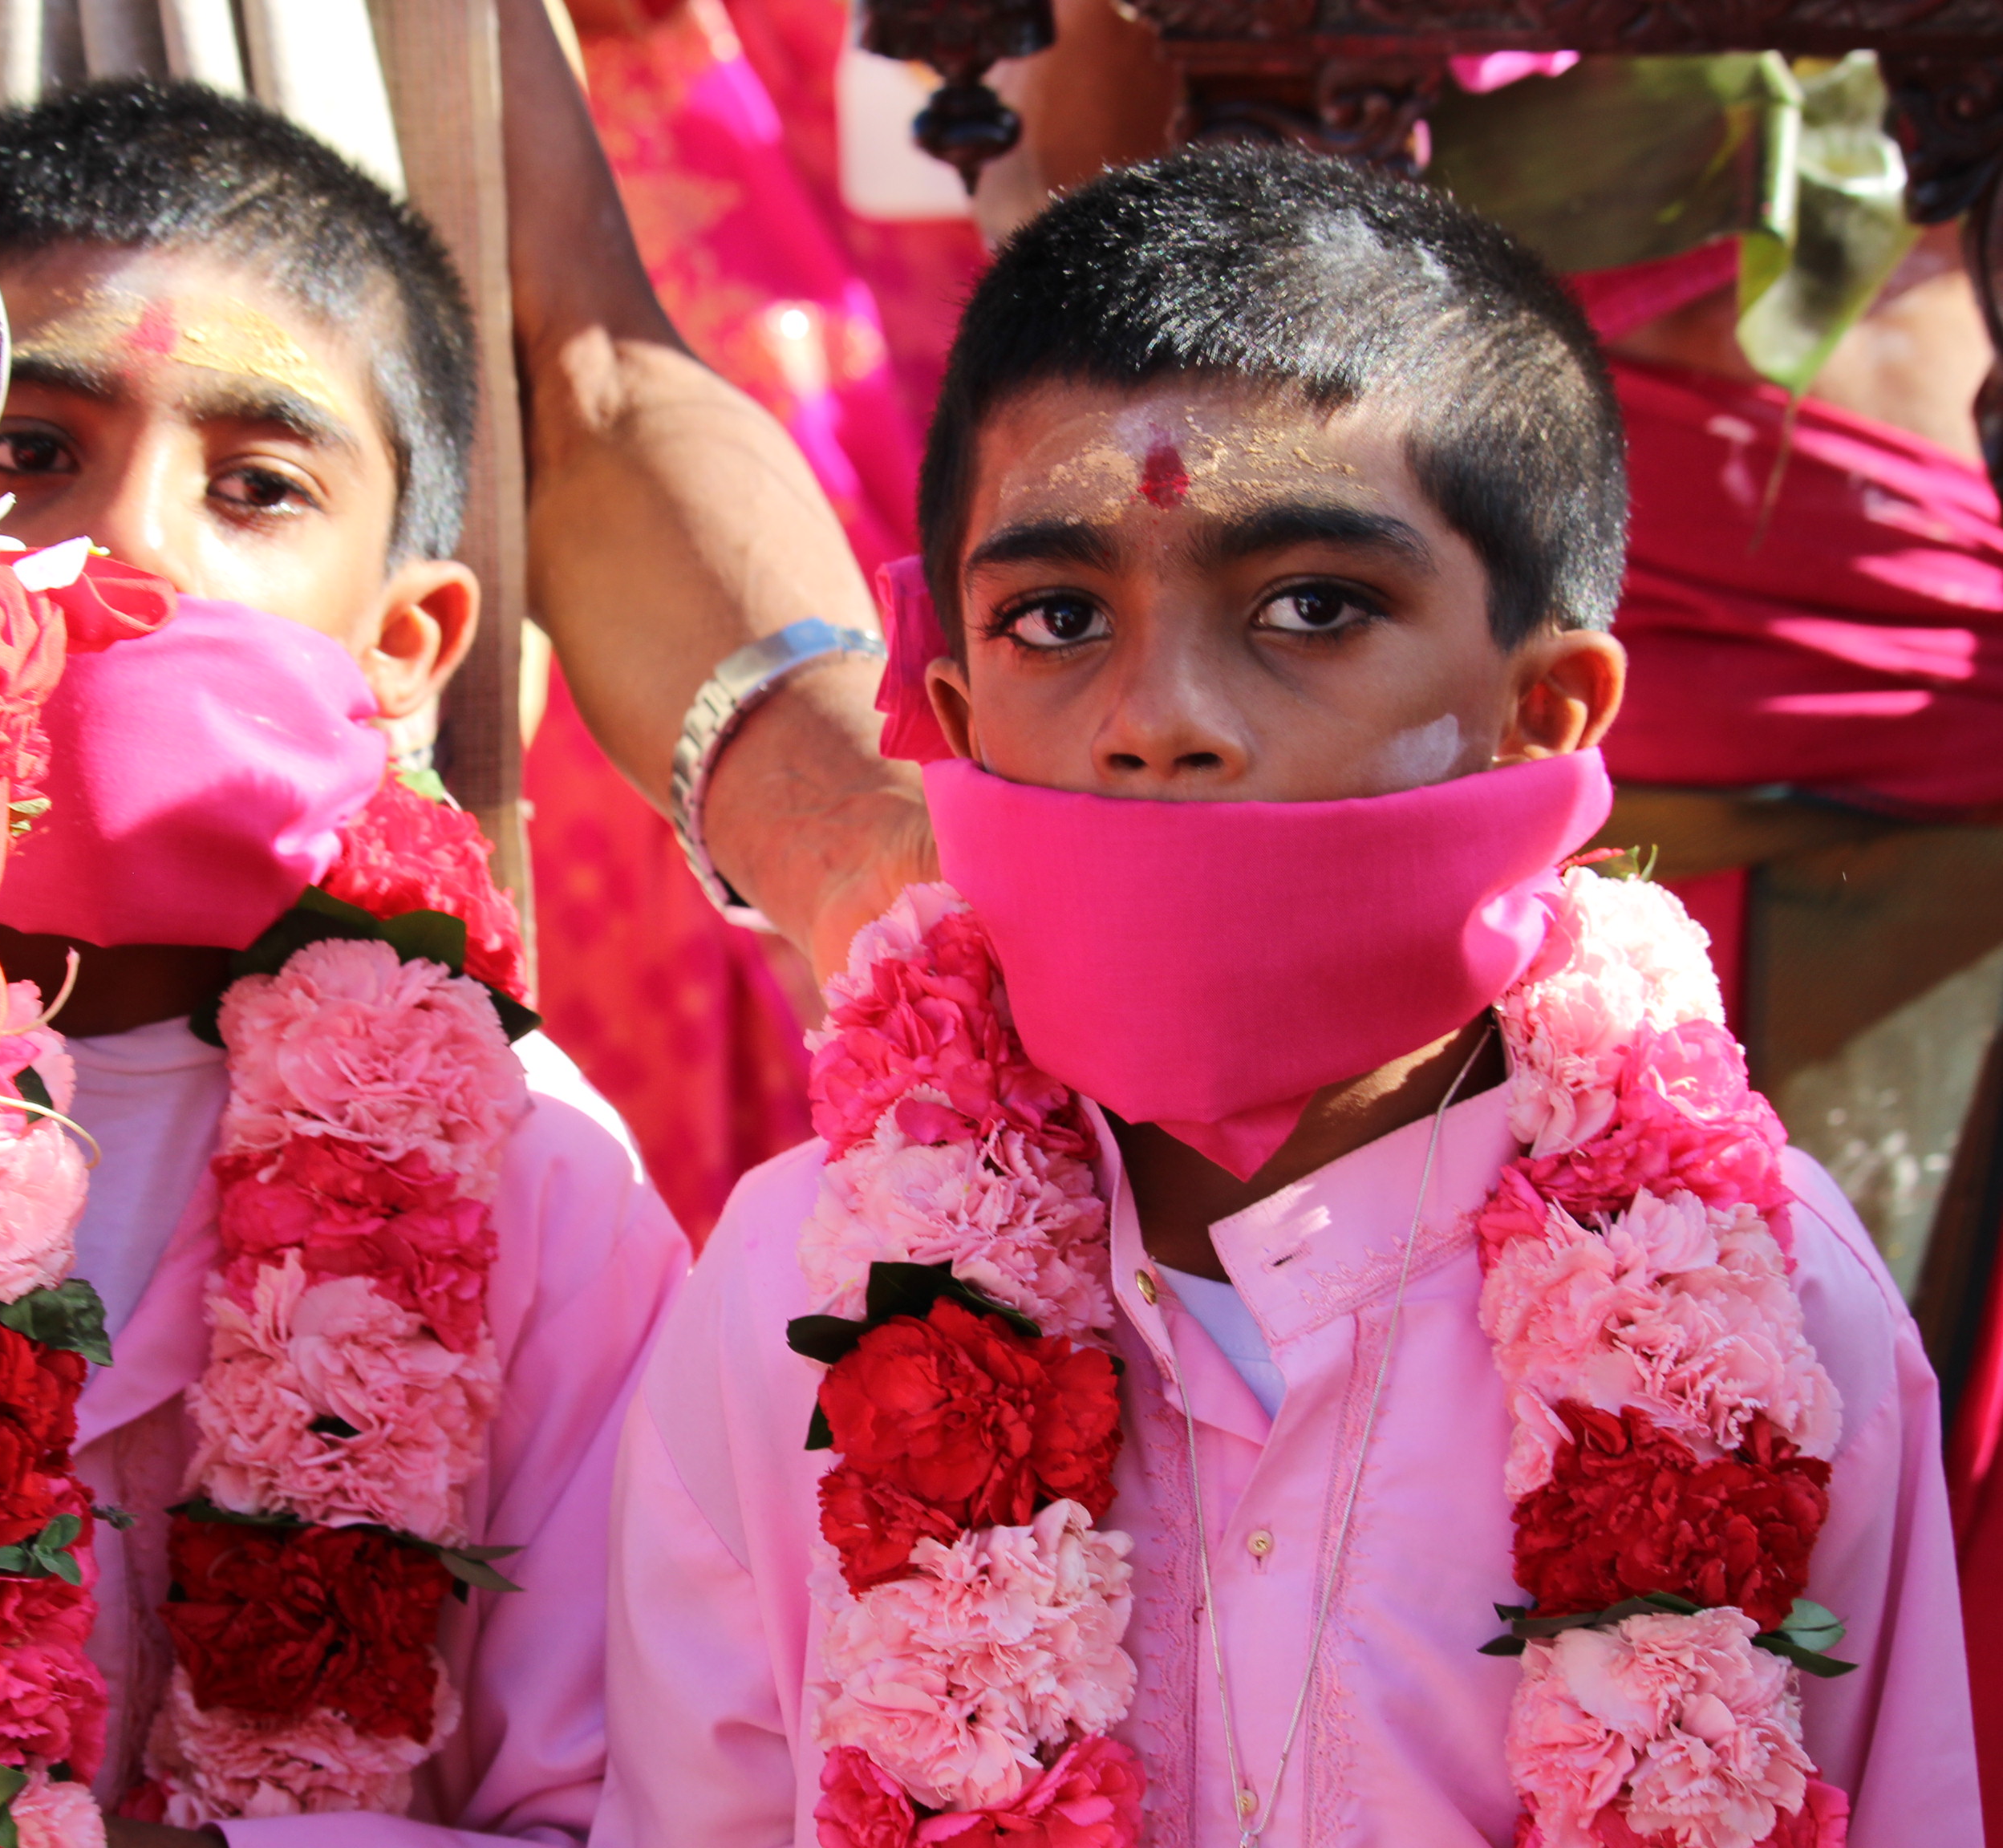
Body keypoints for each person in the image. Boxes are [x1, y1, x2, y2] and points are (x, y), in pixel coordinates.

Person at [598, 147, 1977, 1848]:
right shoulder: (798, 1298)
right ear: (948, 708)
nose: (1161, 713)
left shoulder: (1772, 1314)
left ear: (1550, 711)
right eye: (1057, 614)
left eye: (1312, 607)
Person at [0, 80, 685, 1847]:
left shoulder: (539, 1169)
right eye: (30, 454)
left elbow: (617, 1804)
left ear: (407, 645)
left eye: (255, 486)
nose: (132, 550)